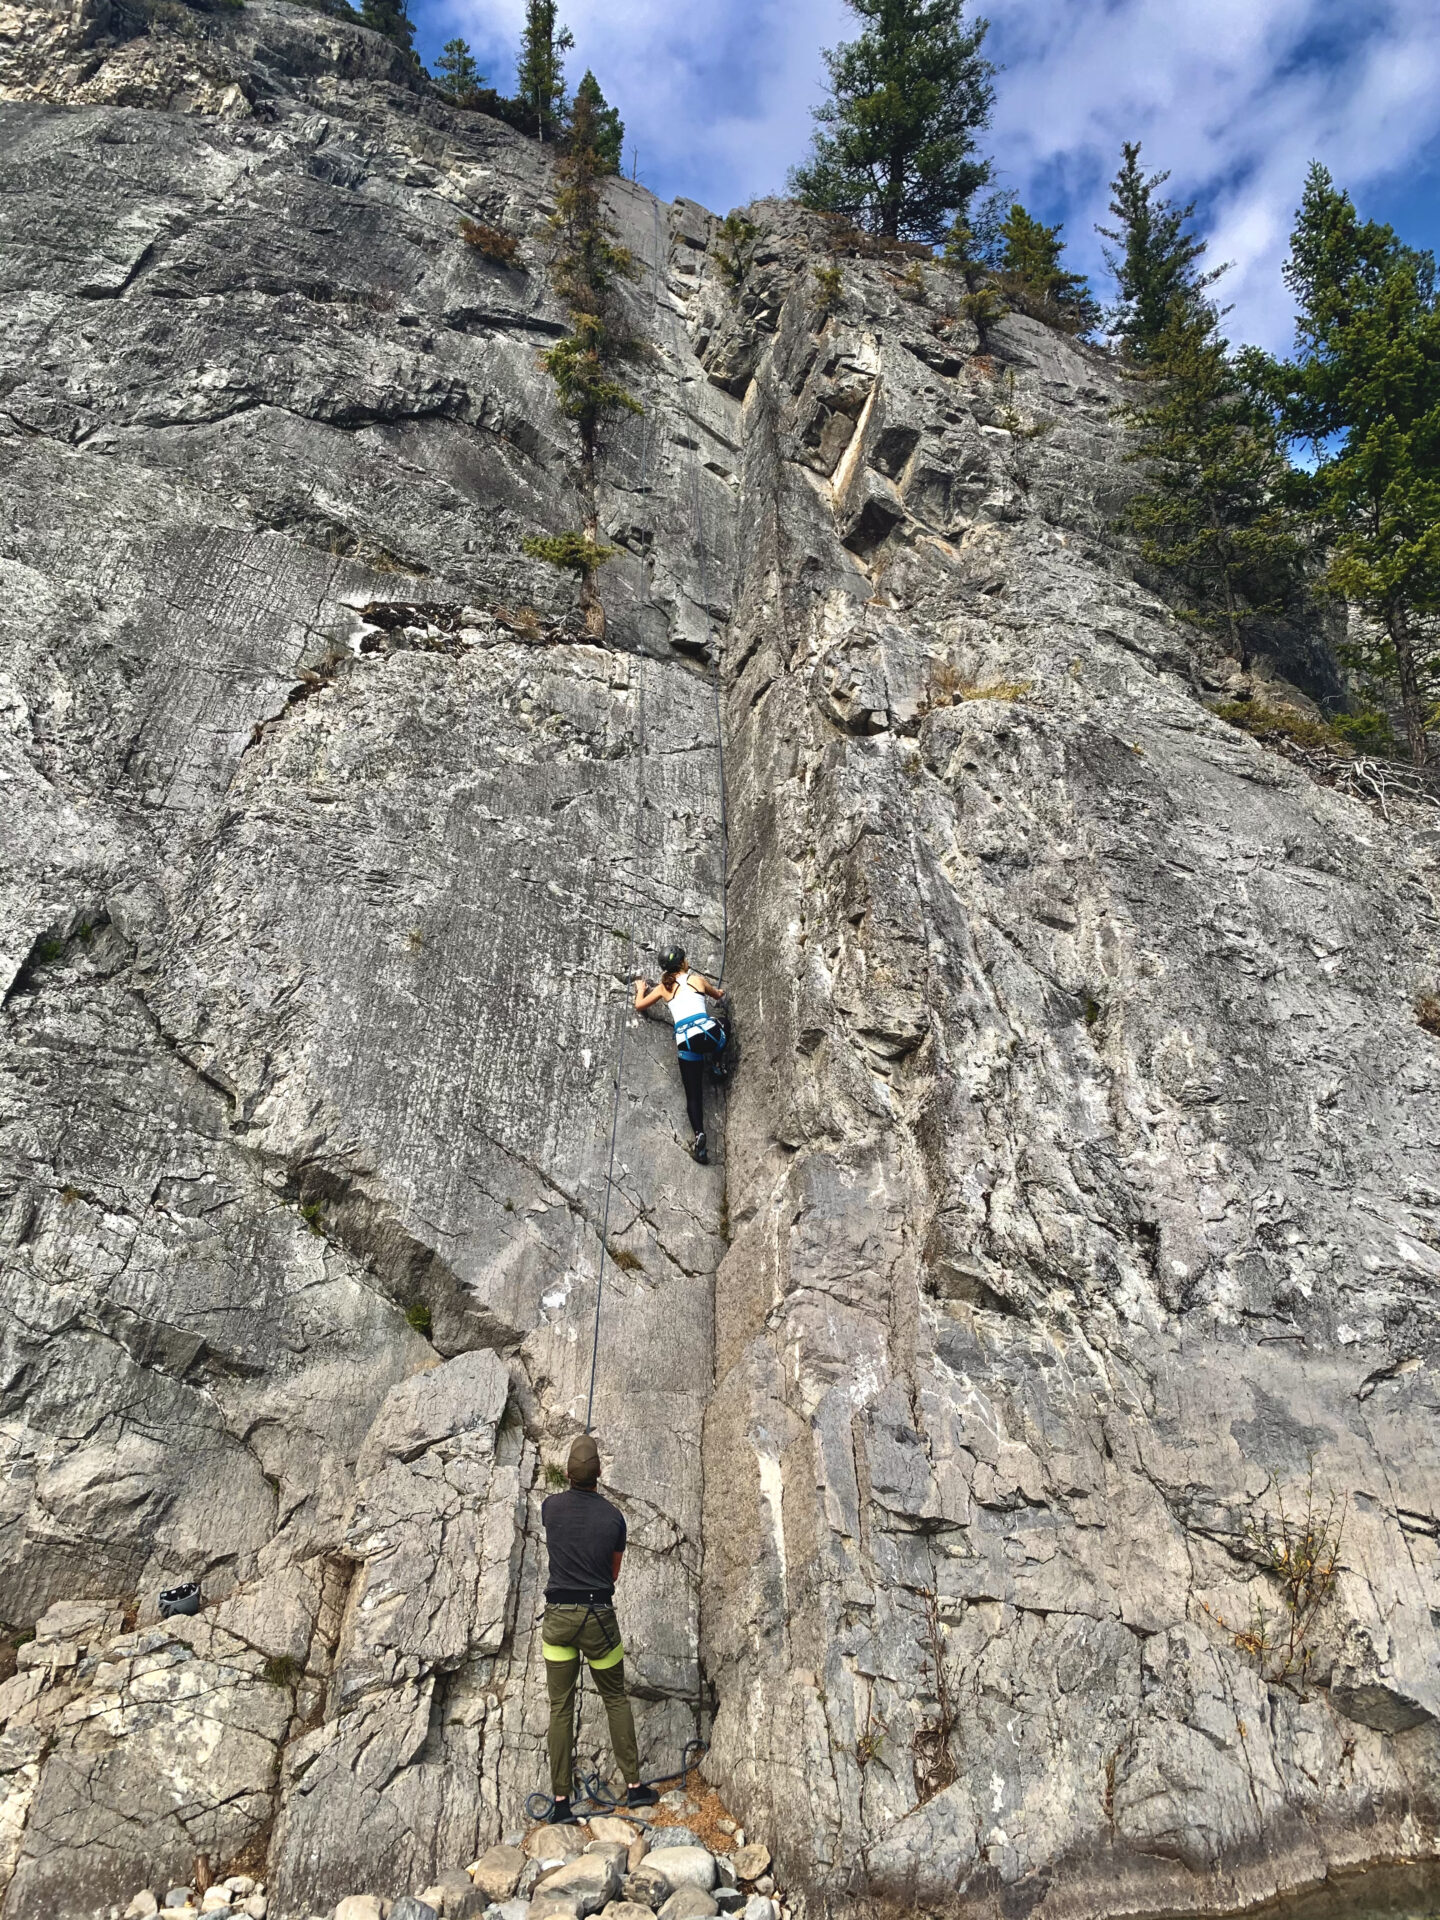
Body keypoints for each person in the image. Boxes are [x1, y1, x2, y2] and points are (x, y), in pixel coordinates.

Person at [539, 1434, 659, 1823]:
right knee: (615, 1699)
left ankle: (560, 1802)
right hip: (598, 1619)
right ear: (599, 1474)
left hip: (558, 1620)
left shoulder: (550, 1508)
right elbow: (614, 1574)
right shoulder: (614, 1518)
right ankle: (635, 1788)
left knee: (560, 1707)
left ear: (569, 1473)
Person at [633, 943, 727, 1164]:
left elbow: (640, 1006)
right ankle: (716, 1064)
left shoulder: (663, 988)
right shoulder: (697, 980)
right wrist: (721, 994)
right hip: (709, 1033)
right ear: (683, 963)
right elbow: (718, 995)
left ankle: (700, 1136)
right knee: (724, 1025)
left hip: (686, 1041)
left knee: (693, 1095)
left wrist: (640, 989)